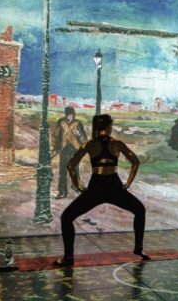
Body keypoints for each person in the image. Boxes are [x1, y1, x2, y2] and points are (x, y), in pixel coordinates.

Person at [57, 114, 148, 265]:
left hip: (96, 189)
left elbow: (70, 165)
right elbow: (135, 162)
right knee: (140, 210)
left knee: (66, 218)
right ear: (109, 127)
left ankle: (68, 258)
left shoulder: (89, 144)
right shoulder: (117, 143)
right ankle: (138, 248)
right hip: (114, 188)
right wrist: (128, 183)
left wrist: (78, 185)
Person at [52, 107, 87, 199]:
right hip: (64, 149)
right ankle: (62, 191)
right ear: (66, 114)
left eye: (72, 114)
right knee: (63, 170)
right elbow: (55, 136)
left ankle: (76, 186)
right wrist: (55, 148)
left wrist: (78, 134)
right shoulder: (61, 122)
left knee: (75, 169)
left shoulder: (78, 123)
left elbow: (84, 139)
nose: (70, 116)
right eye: (69, 114)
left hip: (75, 149)